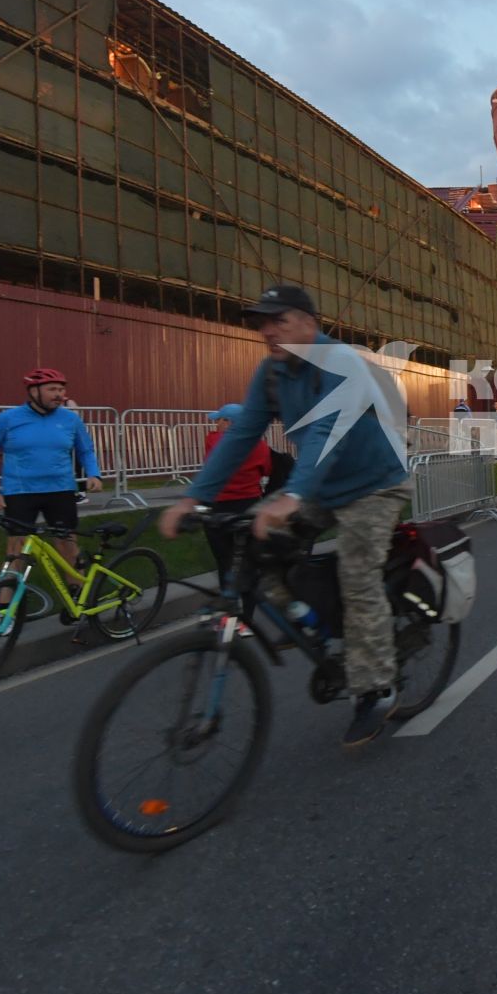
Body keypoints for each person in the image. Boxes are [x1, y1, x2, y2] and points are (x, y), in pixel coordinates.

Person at [160, 283, 413, 747]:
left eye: (279, 320)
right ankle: (319, 626)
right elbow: (241, 436)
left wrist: (291, 495)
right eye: (261, 322)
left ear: (309, 323)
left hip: (375, 483)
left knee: (358, 577)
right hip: (320, 485)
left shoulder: (341, 362)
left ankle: (378, 687)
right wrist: (193, 498)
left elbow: (324, 432)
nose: (267, 331)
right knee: (253, 545)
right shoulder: (272, 372)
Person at [0, 368, 104, 585]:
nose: (59, 394)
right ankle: (6, 608)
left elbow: (85, 450)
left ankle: (78, 599)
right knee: (16, 549)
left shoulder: (70, 419)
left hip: (60, 490)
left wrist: (94, 473)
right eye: (52, 389)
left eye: (61, 389)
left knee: (67, 544)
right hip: (21, 492)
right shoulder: (8, 419)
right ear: (33, 391)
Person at [200, 403, 272, 593]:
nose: (216, 425)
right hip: (249, 504)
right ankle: (249, 607)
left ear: (229, 423)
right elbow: (266, 469)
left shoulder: (214, 441)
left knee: (225, 560)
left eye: (220, 420)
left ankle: (230, 607)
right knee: (248, 559)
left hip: (219, 506)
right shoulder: (260, 445)